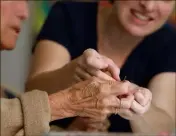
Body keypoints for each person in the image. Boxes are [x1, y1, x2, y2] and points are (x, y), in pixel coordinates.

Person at [26, 0, 176, 134]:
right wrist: (71, 72)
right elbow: (31, 94)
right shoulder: (69, 14)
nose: (148, 6)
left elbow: (164, 128)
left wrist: (136, 103)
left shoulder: (169, 42)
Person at [0, 1, 141, 136]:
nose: (25, 13)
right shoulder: (68, 15)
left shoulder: (4, 94)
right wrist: (70, 102)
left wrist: (71, 131)